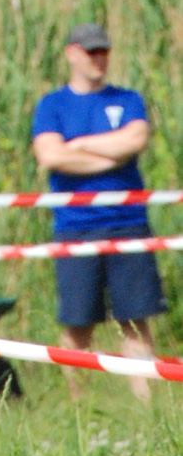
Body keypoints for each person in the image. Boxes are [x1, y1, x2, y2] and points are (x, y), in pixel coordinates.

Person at [32, 23, 165, 402]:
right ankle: (79, 408)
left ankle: (146, 407)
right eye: (91, 51)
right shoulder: (52, 105)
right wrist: (110, 153)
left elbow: (135, 139)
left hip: (128, 222)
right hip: (76, 226)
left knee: (136, 321)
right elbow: (51, 155)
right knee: (78, 323)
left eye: (104, 50)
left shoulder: (128, 99)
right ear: (71, 53)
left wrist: (81, 146)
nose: (100, 58)